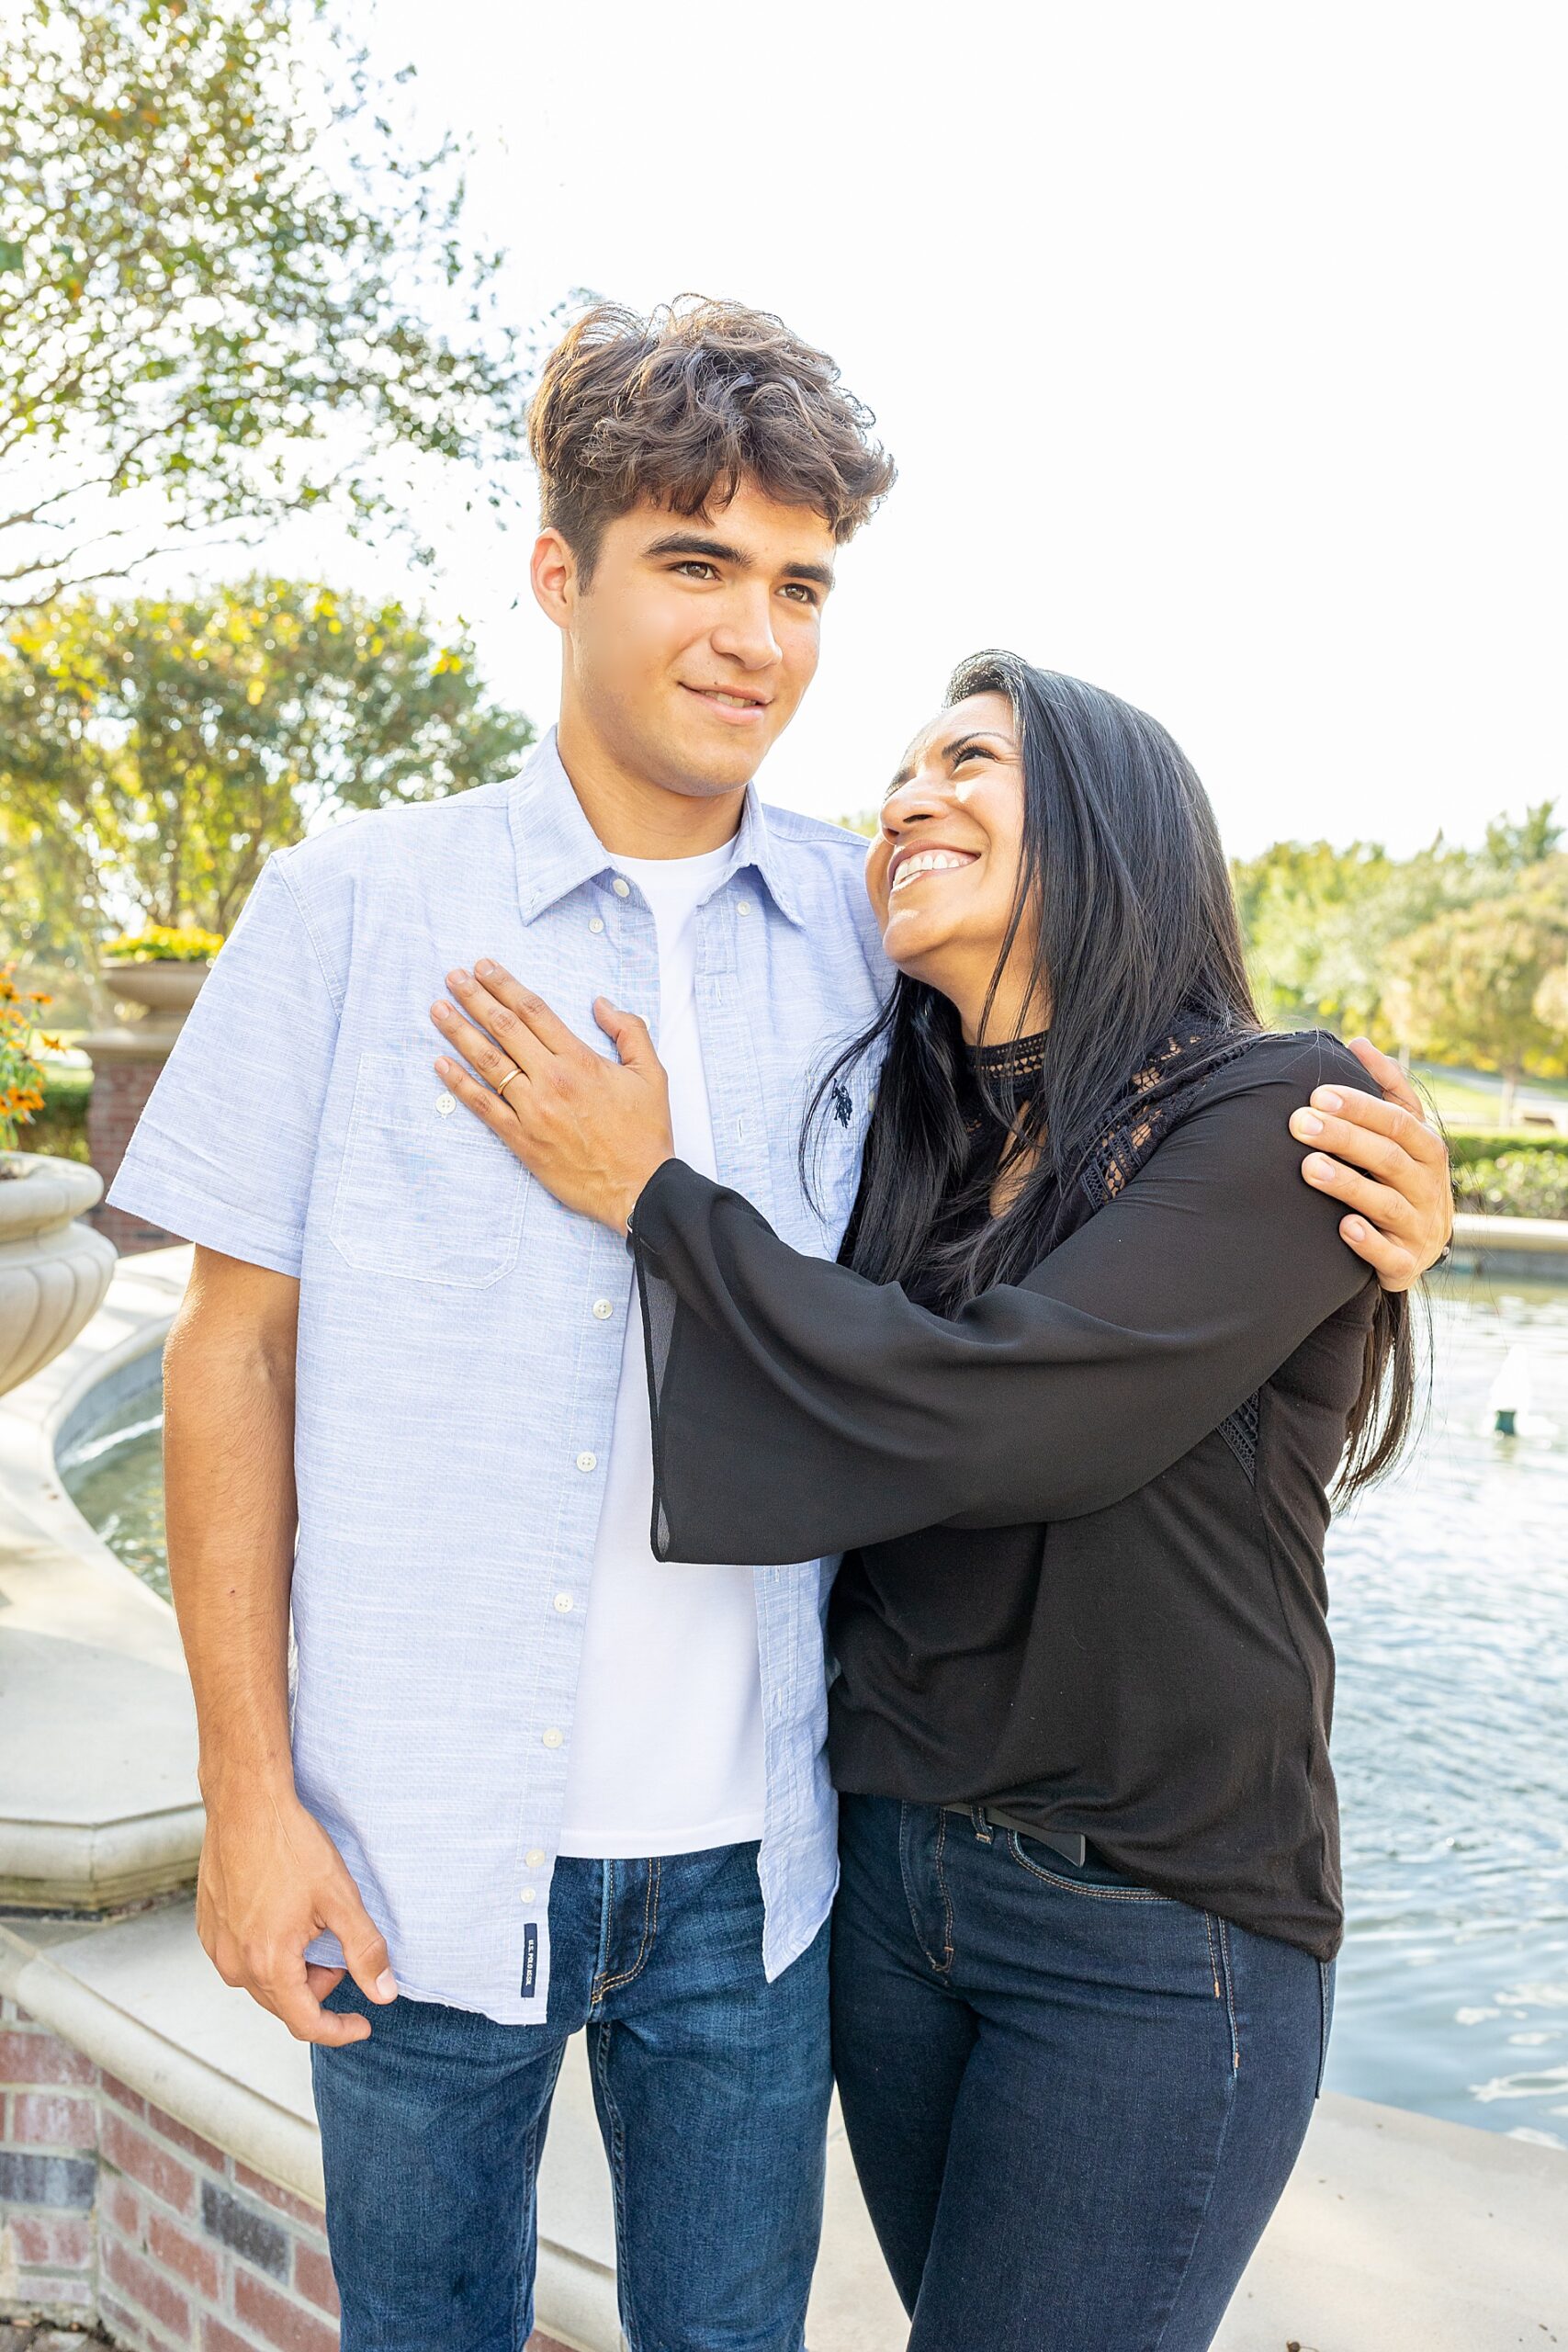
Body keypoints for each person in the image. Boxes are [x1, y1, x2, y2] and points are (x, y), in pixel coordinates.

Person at [107, 295, 1448, 2352]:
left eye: (801, 583)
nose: (755, 635)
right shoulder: (353, 907)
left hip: (767, 1873)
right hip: (419, 1840)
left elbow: (1095, 1113)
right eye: (694, 562)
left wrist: (1372, 1179)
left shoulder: (866, 922)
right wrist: (250, 1796)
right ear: (559, 573)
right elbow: (233, 1353)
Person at [427, 652, 1448, 2352]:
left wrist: (658, 1198)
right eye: (898, 771)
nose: (908, 797)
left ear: (1115, 825)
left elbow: (998, 1416)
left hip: (1150, 1926)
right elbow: (817, 1417)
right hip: (895, 1895)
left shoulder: (1273, 1111)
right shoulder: (912, 1134)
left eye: (969, 759)